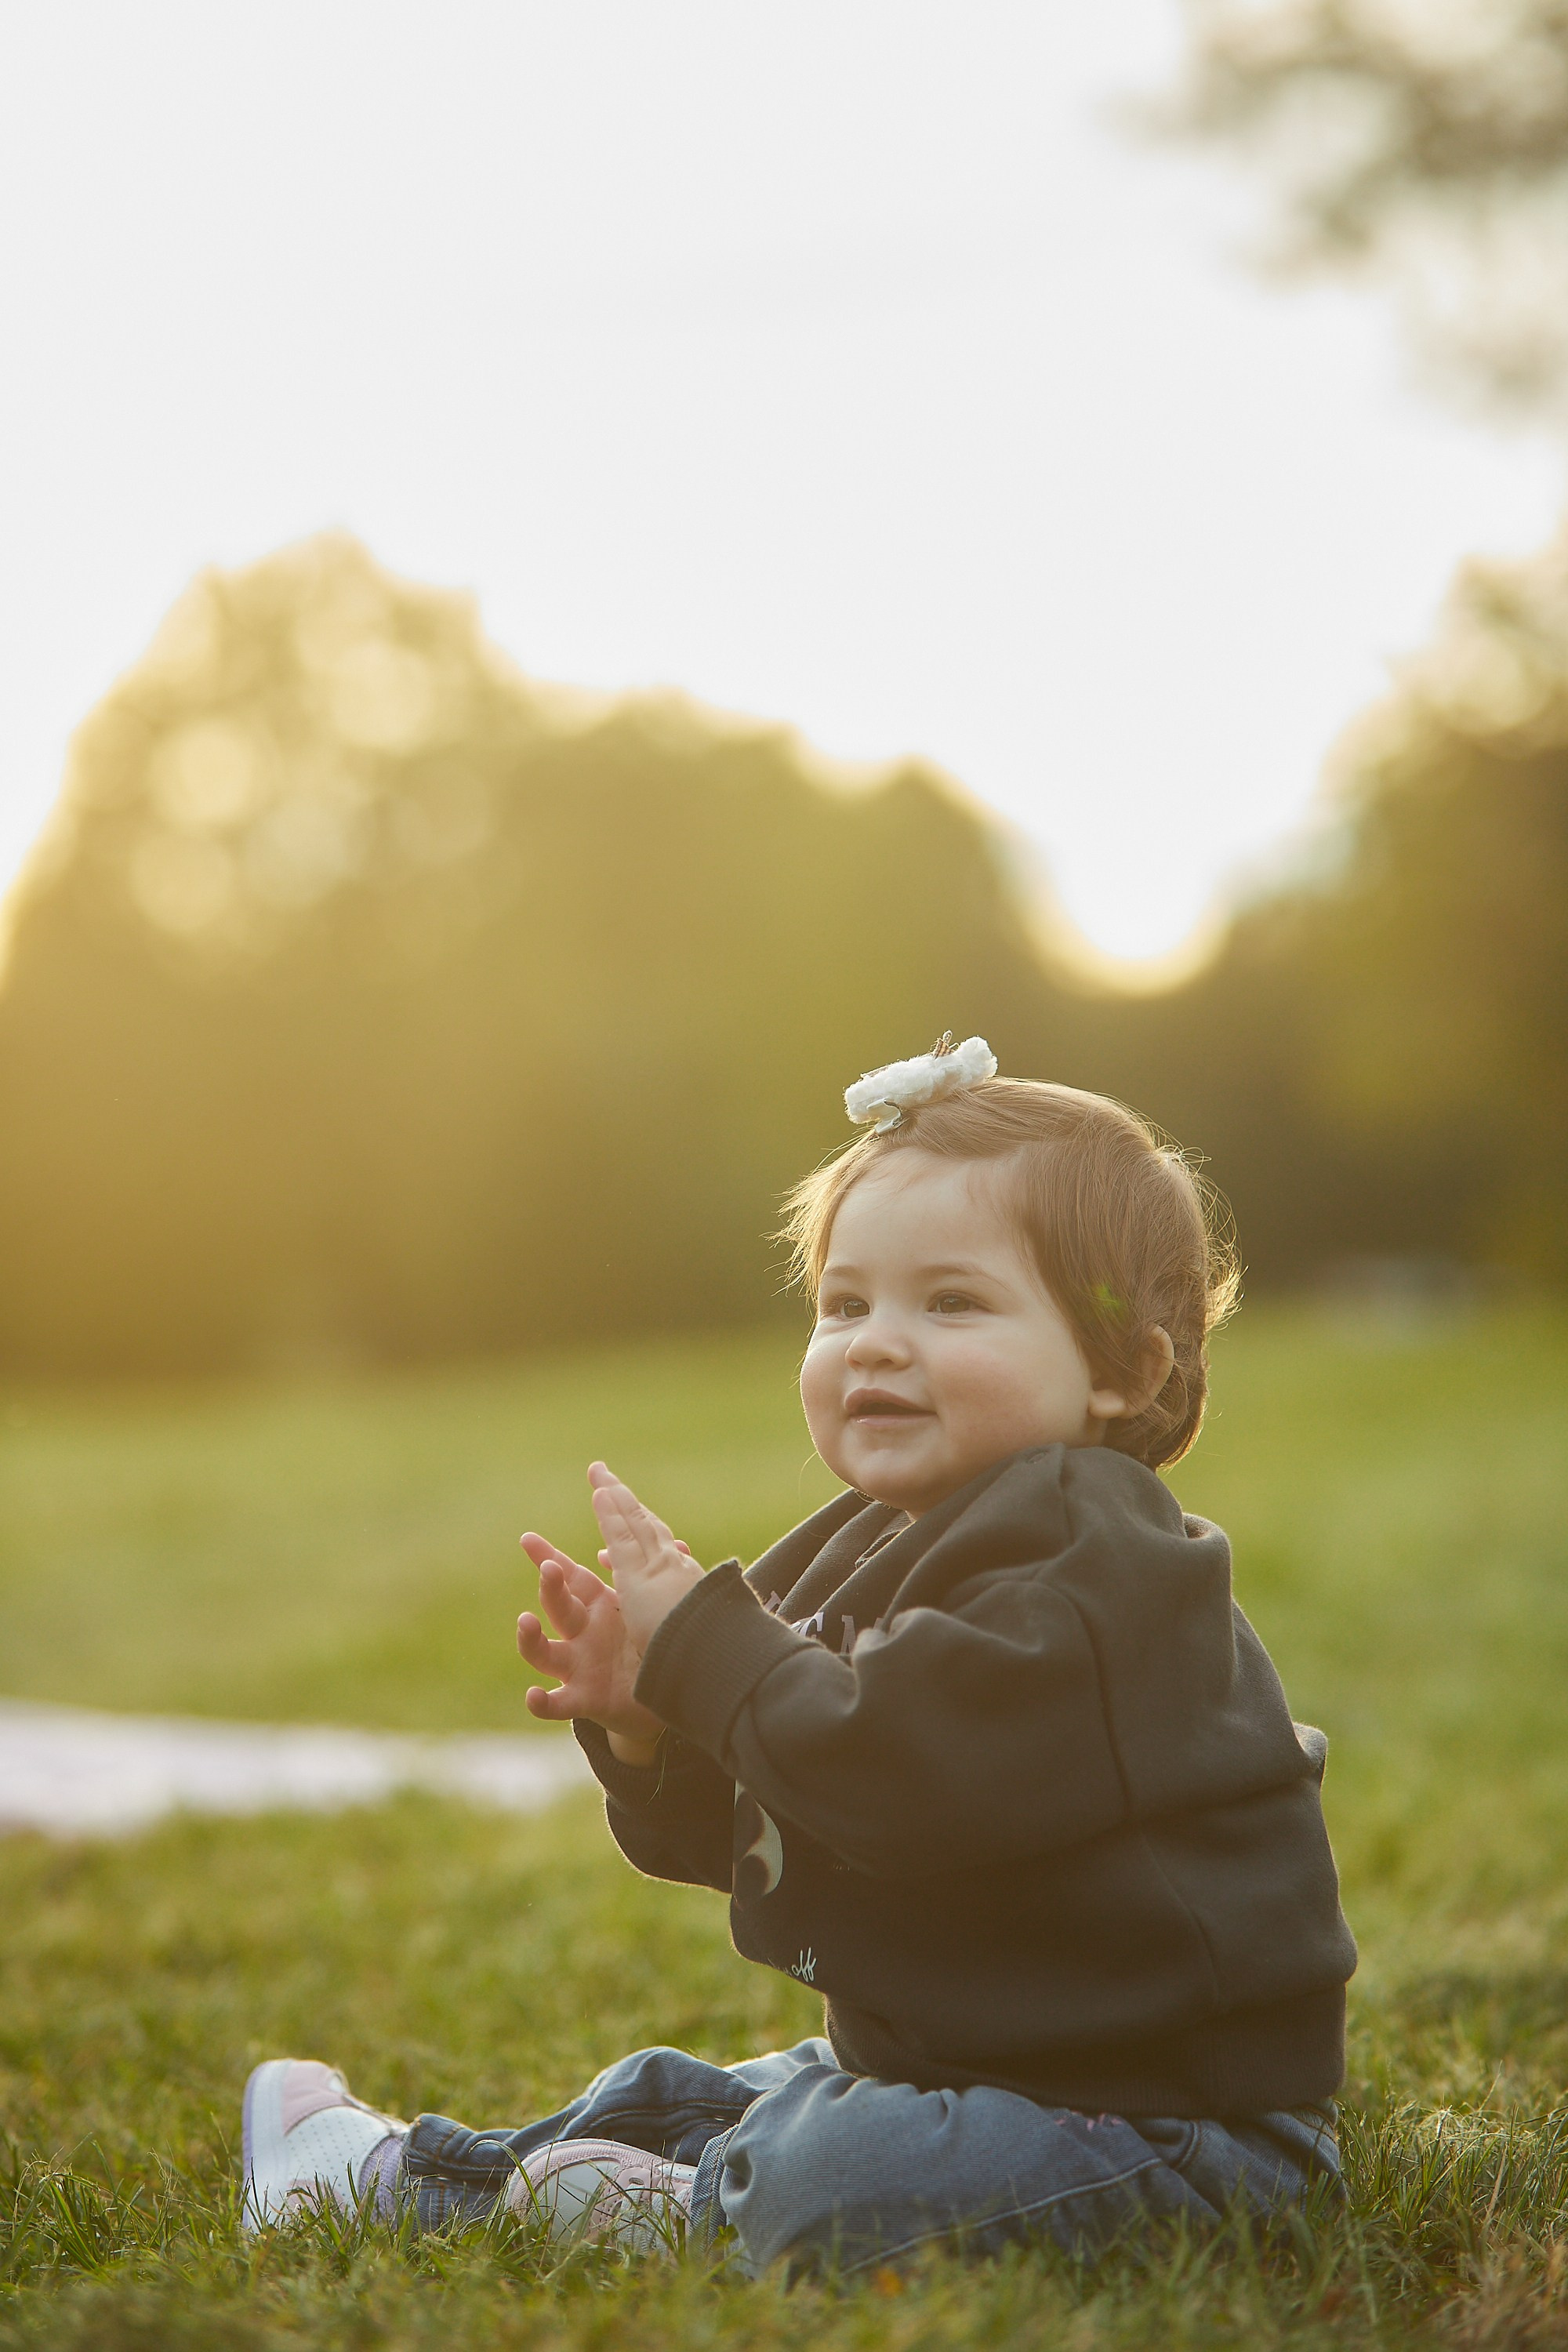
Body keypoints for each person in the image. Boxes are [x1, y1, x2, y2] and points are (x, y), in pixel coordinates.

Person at [241, 1039, 1356, 2276]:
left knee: (835, 2168)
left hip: (1176, 2131)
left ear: (1121, 1370)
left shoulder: (1098, 1578)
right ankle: (401, 2178)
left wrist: (713, 1652)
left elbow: (885, 1774)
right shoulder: (879, 1544)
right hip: (978, 2065)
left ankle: (674, 2207)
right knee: (706, 2091)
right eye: (845, 1304)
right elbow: (789, 1807)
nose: (877, 1343)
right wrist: (655, 1727)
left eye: (953, 1303)